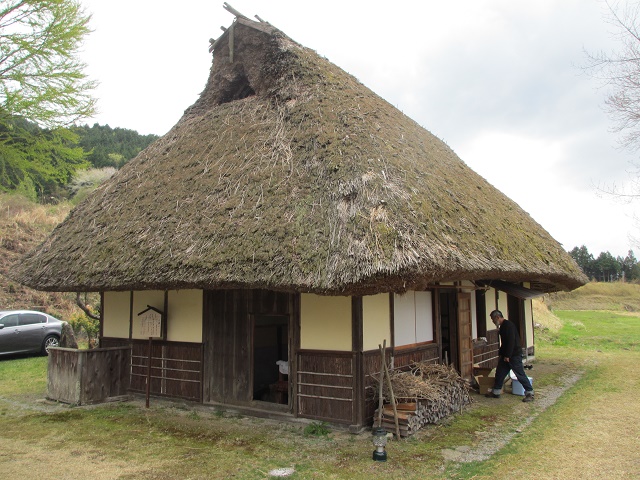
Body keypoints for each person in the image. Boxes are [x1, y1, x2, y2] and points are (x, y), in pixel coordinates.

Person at [485, 310, 534, 402]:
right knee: (500, 373)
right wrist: (502, 354)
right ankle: (496, 391)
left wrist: (507, 355)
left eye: (492, 319)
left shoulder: (508, 326)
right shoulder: (503, 326)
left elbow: (511, 342)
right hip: (506, 355)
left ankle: (529, 393)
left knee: (520, 374)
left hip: (513, 355)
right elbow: (504, 343)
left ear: (497, 317)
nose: (492, 321)